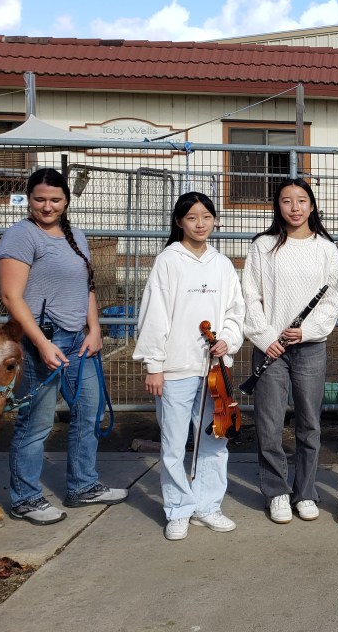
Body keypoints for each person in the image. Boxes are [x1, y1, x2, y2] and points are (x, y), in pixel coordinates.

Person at [0, 168, 128, 525]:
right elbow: (10, 296)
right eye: (39, 199)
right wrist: (41, 344)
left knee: (89, 412)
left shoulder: (76, 236)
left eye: (55, 199)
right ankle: (25, 498)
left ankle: (83, 485)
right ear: (29, 199)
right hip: (41, 340)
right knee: (36, 422)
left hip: (78, 341)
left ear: (66, 201)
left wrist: (94, 329)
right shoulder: (21, 236)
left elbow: (86, 287)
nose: (47, 206)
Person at [133, 192, 246, 540]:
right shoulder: (169, 261)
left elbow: (235, 311)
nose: (200, 224)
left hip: (214, 370)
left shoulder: (222, 264)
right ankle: (178, 509)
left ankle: (208, 506)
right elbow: (154, 314)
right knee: (173, 442)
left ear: (215, 220)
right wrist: (154, 365)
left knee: (214, 438)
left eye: (206, 217)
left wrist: (229, 339)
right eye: (192, 217)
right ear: (179, 221)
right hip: (176, 368)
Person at [243, 178, 338, 524]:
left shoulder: (326, 249)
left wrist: (307, 331)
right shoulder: (263, 246)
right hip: (271, 348)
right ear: (278, 206)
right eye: (287, 201)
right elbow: (251, 296)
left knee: (309, 424)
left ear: (312, 206)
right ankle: (276, 492)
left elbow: (332, 300)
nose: (295, 207)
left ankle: (305, 492)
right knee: (269, 424)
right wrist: (265, 337)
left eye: (302, 200)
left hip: (310, 347)